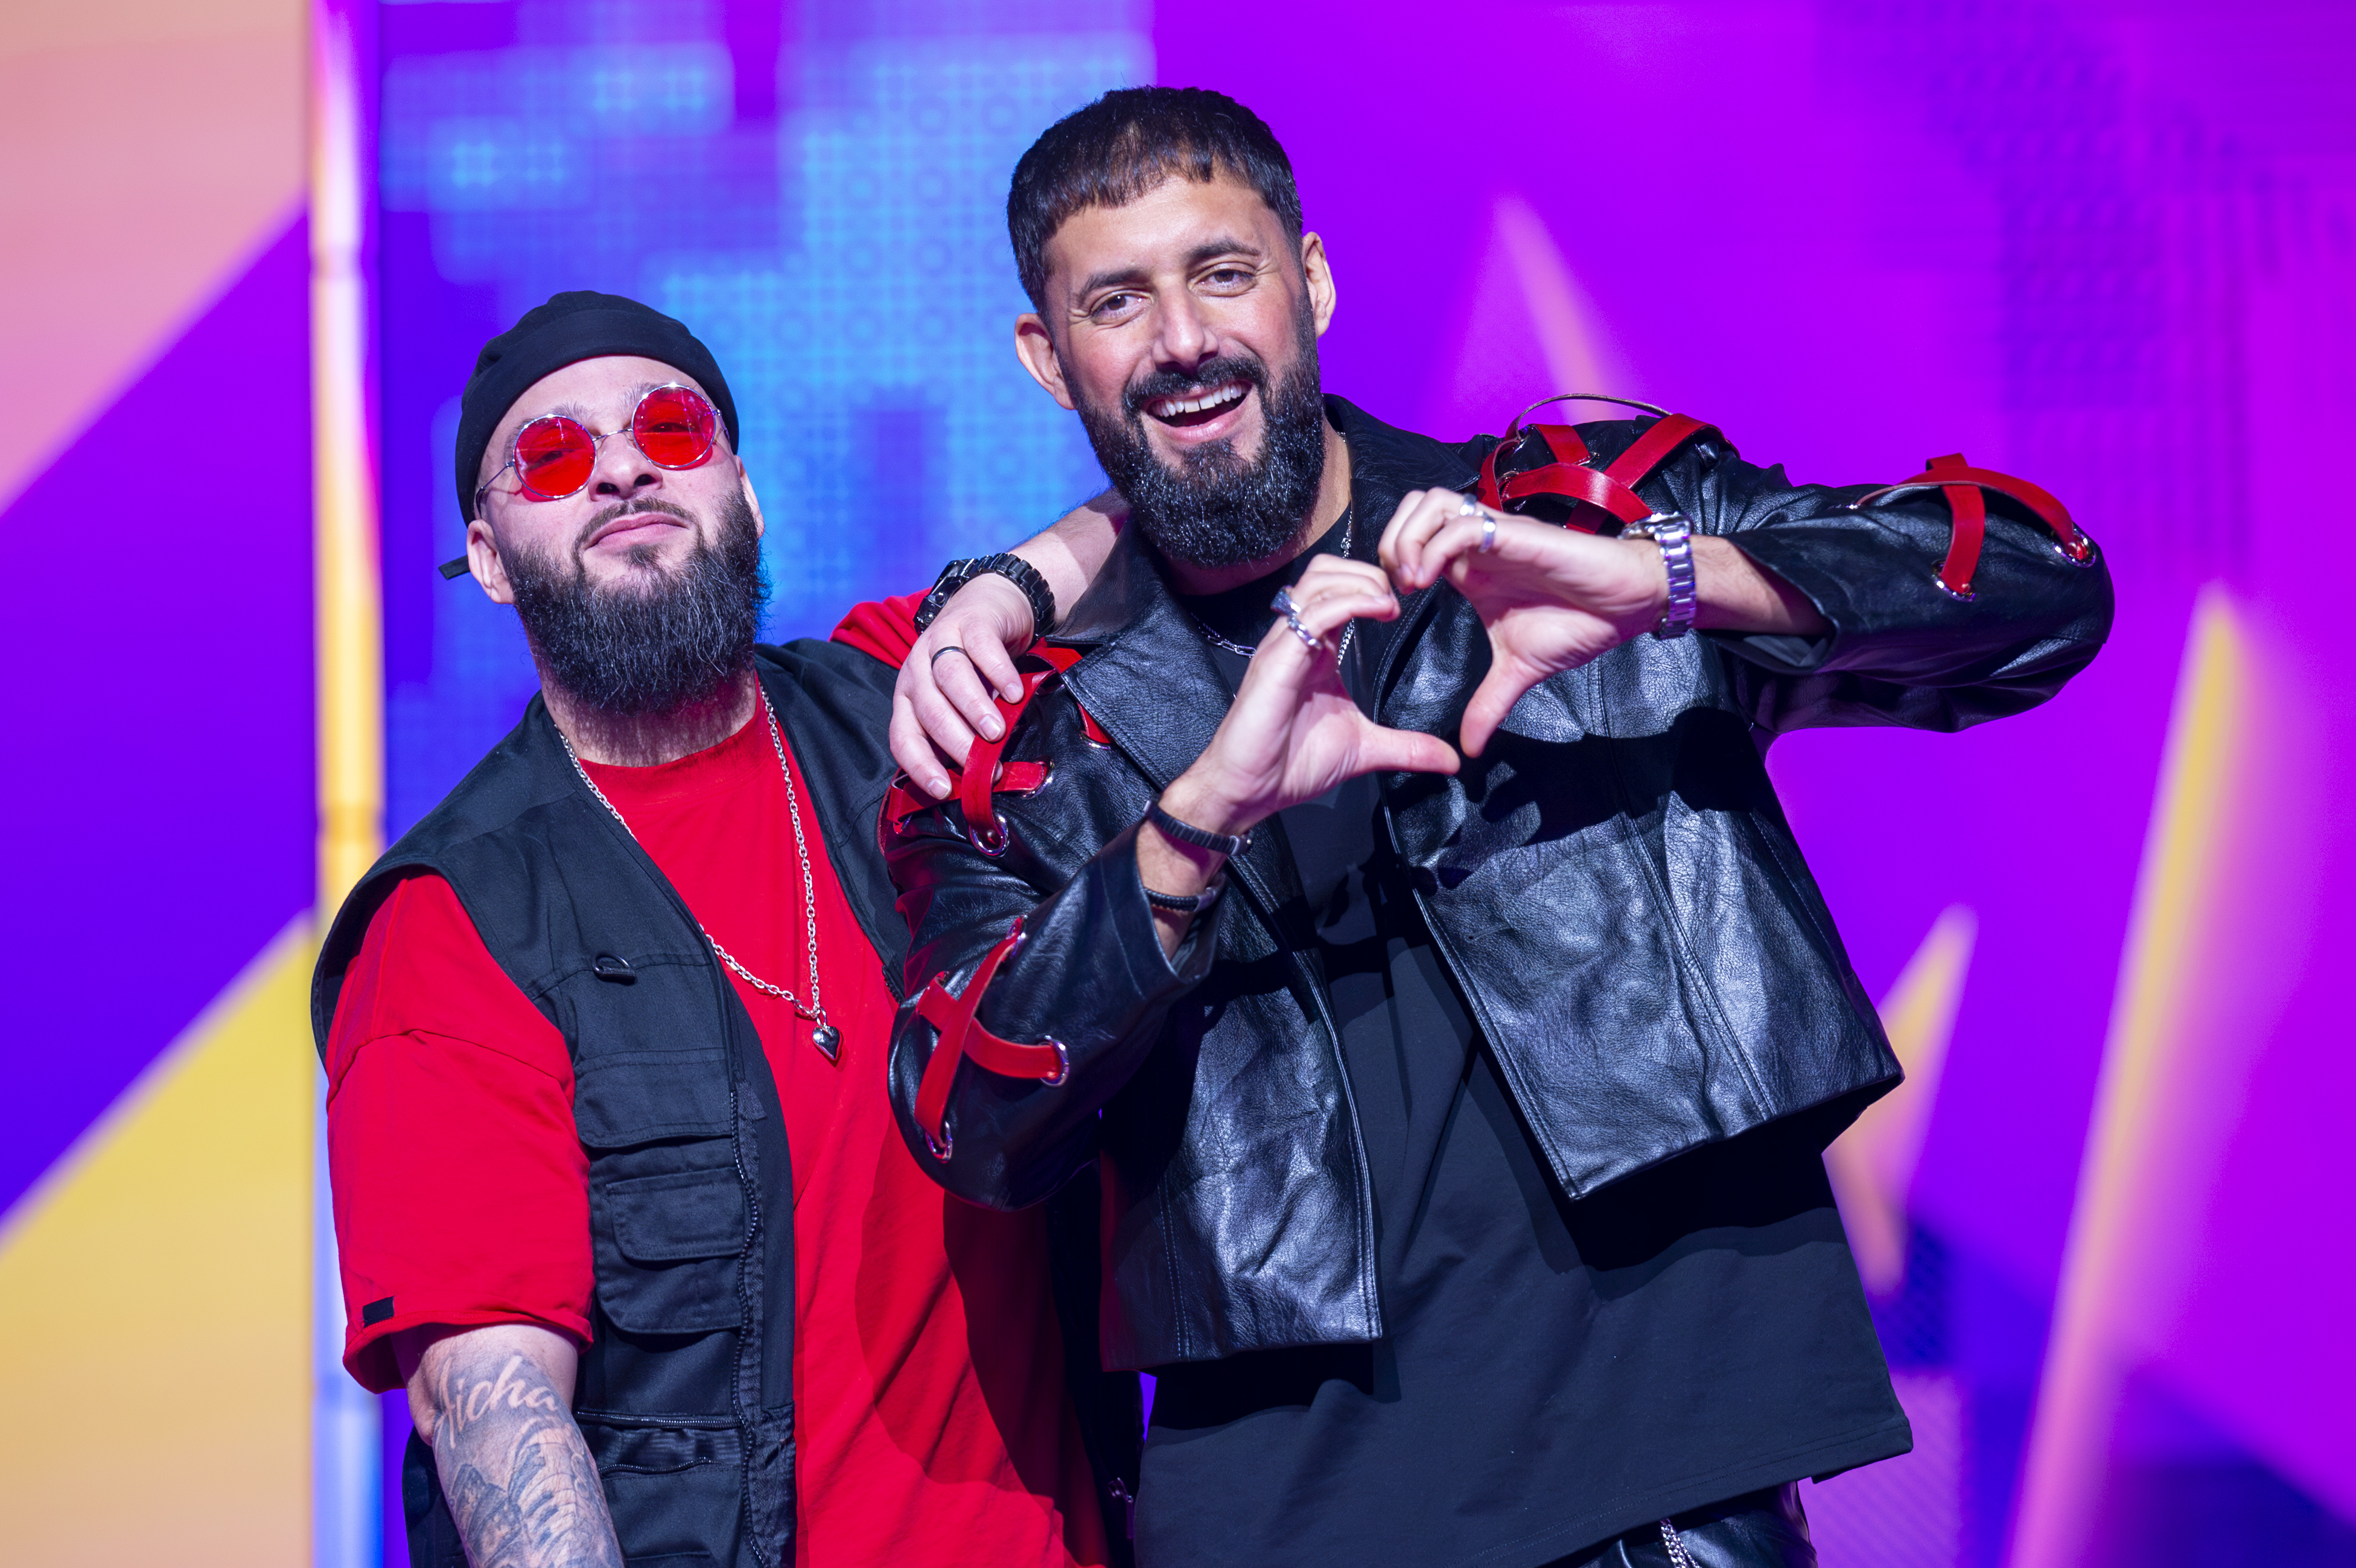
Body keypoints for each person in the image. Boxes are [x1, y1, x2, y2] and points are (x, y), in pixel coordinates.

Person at [880, 88, 2114, 1568]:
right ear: (1047, 358)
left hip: (1668, 1483)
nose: (1183, 338)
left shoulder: (1574, 523)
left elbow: (2042, 590)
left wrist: (1668, 584)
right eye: (1116, 301)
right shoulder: (1013, 731)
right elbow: (967, 1121)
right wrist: (1191, 827)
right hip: (1288, 1522)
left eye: (1222, 271)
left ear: (1310, 281)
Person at [313, 291, 1133, 1568]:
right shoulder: (452, 924)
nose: (623, 468)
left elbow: (1166, 529)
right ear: (489, 556)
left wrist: (1003, 592)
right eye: (553, 457)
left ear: (742, 492)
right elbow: (495, 1411)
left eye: (669, 429)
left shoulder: (897, 707)